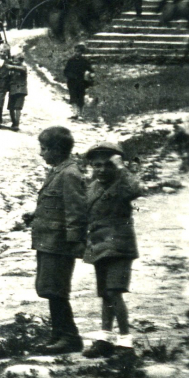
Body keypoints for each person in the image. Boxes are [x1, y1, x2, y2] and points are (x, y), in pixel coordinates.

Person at [22, 126, 86, 354]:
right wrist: (36, 214)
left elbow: (76, 210)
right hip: (49, 240)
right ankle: (58, 333)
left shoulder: (69, 174)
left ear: (57, 150)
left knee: (56, 289)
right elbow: (57, 203)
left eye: (45, 149)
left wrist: (73, 243)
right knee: (49, 287)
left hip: (60, 244)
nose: (41, 153)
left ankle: (70, 337)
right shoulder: (59, 170)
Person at [81, 141, 142, 358]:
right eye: (97, 165)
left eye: (108, 165)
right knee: (106, 294)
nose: (102, 169)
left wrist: (122, 168)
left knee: (115, 292)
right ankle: (105, 339)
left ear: (116, 165)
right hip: (99, 245)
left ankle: (126, 343)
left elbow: (136, 189)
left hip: (119, 246)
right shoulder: (93, 186)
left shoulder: (122, 183)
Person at [0, 49, 29, 131]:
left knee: (18, 108)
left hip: (20, 90)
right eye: (14, 60)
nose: (15, 62)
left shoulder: (23, 67)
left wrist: (11, 66)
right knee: (11, 108)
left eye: (17, 61)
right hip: (12, 90)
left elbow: (21, 69)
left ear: (21, 61)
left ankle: (16, 124)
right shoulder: (11, 69)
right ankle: (13, 122)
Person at [64, 43, 94, 120]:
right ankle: (75, 113)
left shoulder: (85, 61)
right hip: (72, 82)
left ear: (82, 52)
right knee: (73, 97)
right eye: (75, 51)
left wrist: (89, 75)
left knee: (80, 97)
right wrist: (71, 76)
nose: (76, 53)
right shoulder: (71, 60)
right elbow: (66, 71)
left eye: (79, 52)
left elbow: (90, 70)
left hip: (81, 82)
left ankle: (80, 114)